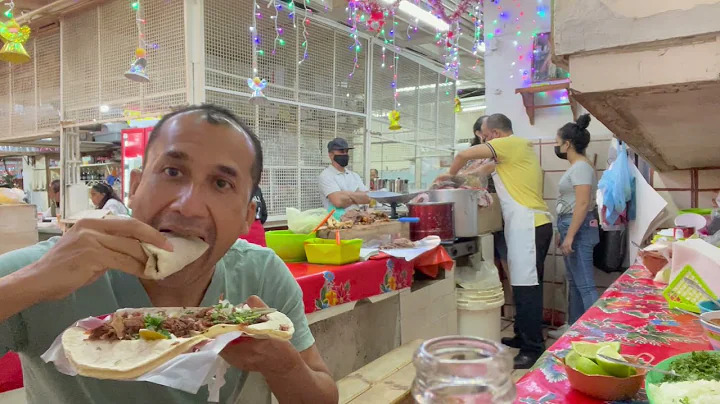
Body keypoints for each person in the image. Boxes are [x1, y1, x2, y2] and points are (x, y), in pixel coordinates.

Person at [0, 104, 338, 404]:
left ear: (247, 217)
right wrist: (32, 282)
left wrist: (282, 364)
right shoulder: (47, 268)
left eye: (222, 184)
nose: (188, 206)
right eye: (172, 172)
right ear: (134, 188)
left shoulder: (261, 278)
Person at [438, 113, 552, 369]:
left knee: (527, 288)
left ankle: (532, 348)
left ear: (496, 135)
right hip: (526, 226)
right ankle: (523, 336)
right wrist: (454, 182)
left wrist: (446, 176)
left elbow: (462, 156)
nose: (485, 141)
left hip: (529, 225)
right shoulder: (508, 156)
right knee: (524, 285)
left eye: (486, 136)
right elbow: (478, 172)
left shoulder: (511, 144)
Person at [554, 114, 600, 328]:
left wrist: (570, 236)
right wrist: (561, 232)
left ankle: (593, 332)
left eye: (558, 142)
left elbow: (582, 204)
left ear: (568, 144)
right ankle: (573, 326)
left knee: (585, 285)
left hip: (578, 228)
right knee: (574, 282)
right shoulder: (578, 166)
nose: (557, 146)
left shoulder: (581, 167)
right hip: (570, 226)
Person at [318, 137, 369, 217]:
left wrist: (347, 194)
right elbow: (338, 201)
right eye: (341, 151)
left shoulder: (354, 175)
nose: (345, 154)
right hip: (338, 223)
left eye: (346, 151)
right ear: (331, 155)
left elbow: (368, 198)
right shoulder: (326, 176)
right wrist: (357, 197)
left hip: (358, 221)